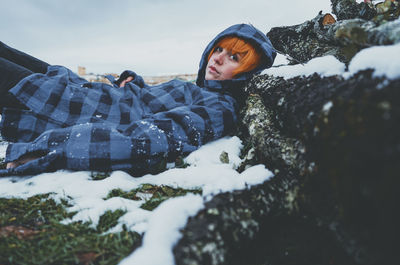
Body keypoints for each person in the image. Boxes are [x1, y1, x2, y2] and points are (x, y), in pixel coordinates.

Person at [0, 24, 276, 176]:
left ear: (248, 72)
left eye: (234, 57)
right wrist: (133, 83)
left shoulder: (219, 110)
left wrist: (54, 149)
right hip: (78, 89)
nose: (217, 58)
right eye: (219, 48)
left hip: (62, 107)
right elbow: (149, 102)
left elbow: (145, 140)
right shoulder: (198, 90)